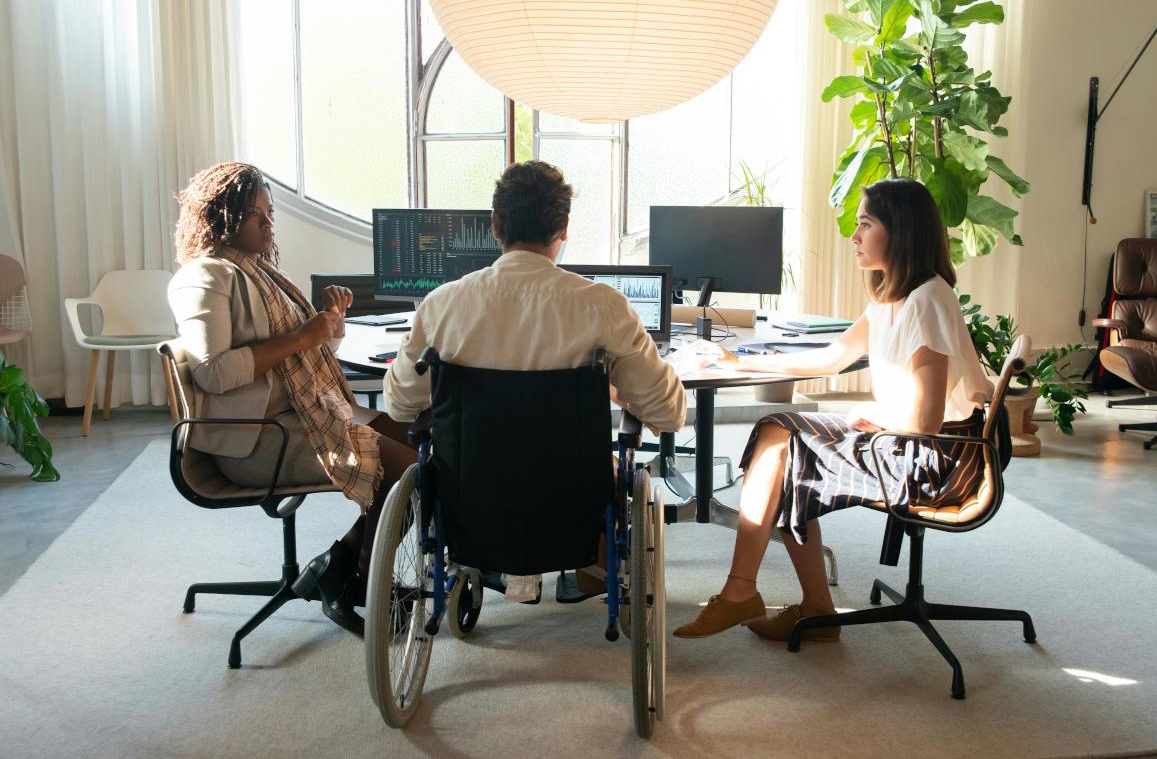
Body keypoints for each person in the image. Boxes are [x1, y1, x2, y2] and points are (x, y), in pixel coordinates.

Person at [672, 177, 992, 639]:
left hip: (935, 459)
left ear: (901, 232)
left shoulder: (927, 301)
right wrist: (737, 361)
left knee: (786, 448)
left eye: (866, 224)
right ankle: (793, 605)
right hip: (904, 441)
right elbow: (829, 358)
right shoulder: (891, 298)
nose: (854, 236)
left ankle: (765, 598)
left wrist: (875, 418)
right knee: (778, 434)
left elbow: (925, 420)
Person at [384, 160, 687, 602]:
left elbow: (398, 404)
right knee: (615, 468)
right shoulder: (603, 306)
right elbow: (667, 412)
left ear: (494, 225)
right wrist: (617, 387)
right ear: (563, 228)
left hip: (470, 499)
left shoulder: (441, 306)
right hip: (571, 503)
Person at [168, 162, 417, 637]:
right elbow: (213, 372)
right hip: (256, 437)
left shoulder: (263, 272)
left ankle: (338, 565)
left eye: (270, 212)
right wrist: (304, 336)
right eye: (254, 214)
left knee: (424, 442)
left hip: (302, 413)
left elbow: (305, 360)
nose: (268, 223)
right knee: (406, 470)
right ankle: (365, 586)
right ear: (222, 218)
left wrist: (329, 323)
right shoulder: (205, 277)